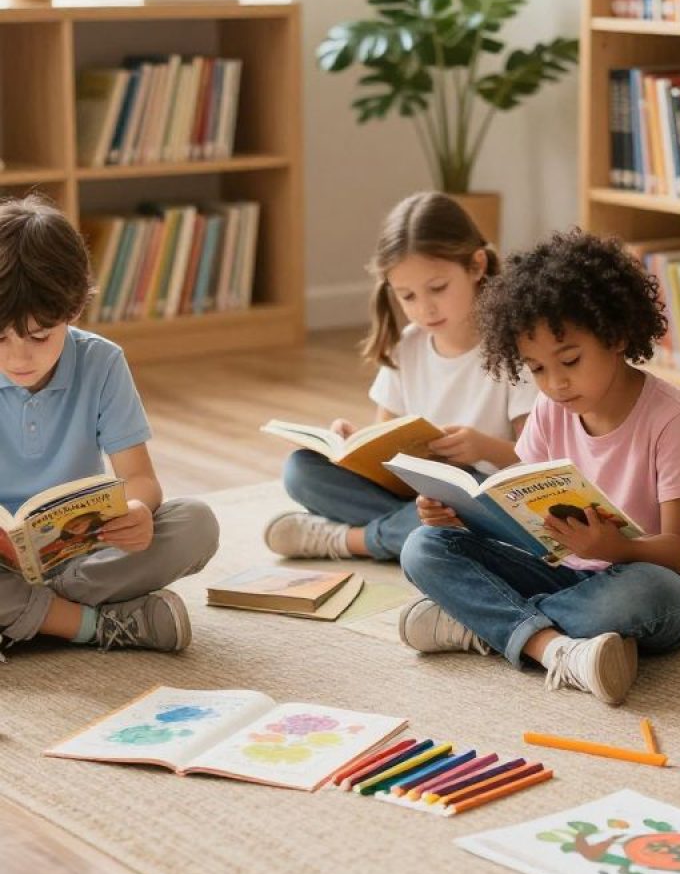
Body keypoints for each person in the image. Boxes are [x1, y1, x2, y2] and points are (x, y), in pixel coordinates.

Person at [397, 229, 680, 705]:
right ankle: (552, 647)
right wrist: (457, 514)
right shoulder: (552, 408)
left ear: (616, 336)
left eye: (570, 360)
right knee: (423, 546)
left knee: (640, 593)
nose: (554, 383)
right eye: (535, 369)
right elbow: (525, 506)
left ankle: (486, 622)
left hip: (662, 586)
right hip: (569, 572)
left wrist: (614, 547)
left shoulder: (674, 421)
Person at [0, 195, 219, 657]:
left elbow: (139, 477)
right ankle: (97, 624)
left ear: (74, 309)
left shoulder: (101, 362)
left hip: (83, 557)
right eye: (0, 338)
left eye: (39, 336)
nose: (19, 357)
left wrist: (138, 511)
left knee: (196, 523)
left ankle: (36, 617)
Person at [264, 192, 536, 561]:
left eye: (437, 288)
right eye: (407, 296)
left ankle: (348, 541)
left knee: (472, 500)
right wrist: (351, 445)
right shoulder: (407, 346)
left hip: (479, 494)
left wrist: (483, 448)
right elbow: (387, 449)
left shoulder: (516, 348)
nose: (424, 308)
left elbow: (537, 467)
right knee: (301, 470)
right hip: (417, 498)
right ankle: (417, 536)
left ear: (476, 266)